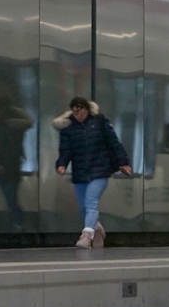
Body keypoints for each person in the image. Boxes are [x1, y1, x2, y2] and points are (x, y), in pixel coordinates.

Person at [54, 96, 131, 248]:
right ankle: (97, 229)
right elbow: (65, 150)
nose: (79, 114)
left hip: (100, 170)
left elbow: (114, 142)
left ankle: (87, 235)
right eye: (76, 111)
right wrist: (61, 164)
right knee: (83, 207)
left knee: (91, 202)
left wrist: (123, 162)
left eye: (82, 110)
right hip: (80, 172)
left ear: (88, 109)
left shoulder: (99, 121)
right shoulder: (68, 129)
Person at [0, 92, 32, 232]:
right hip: (8, 169)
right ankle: (18, 224)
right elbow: (14, 148)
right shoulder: (13, 125)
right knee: (11, 201)